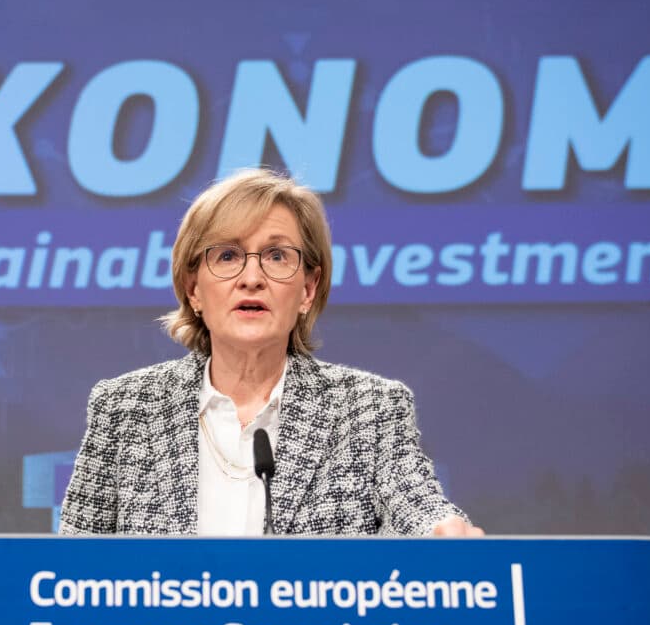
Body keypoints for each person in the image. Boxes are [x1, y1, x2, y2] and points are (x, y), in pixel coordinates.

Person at [58, 167, 481, 537]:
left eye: (277, 256)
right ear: (193, 289)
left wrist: (442, 530)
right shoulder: (126, 408)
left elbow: (417, 502)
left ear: (307, 290)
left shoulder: (369, 409)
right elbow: (68, 569)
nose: (252, 278)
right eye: (227, 255)